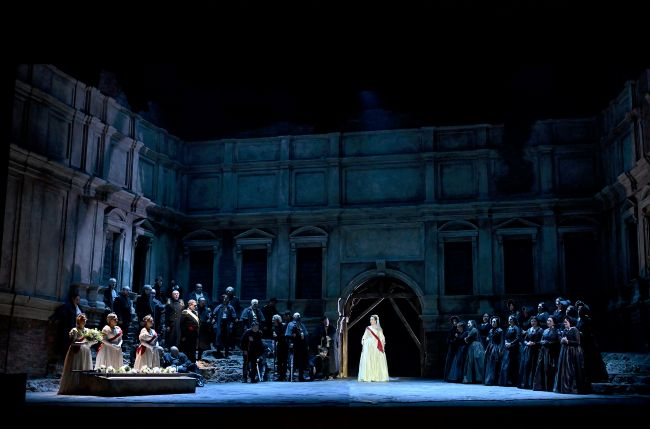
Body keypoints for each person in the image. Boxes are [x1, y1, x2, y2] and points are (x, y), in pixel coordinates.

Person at [58, 313, 97, 394]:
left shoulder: (88, 330)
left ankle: (84, 387)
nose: (84, 321)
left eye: (85, 319)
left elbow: (89, 342)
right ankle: (73, 387)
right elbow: (73, 342)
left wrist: (94, 341)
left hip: (86, 351)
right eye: (82, 319)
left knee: (85, 367)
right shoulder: (74, 330)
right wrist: (83, 342)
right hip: (77, 351)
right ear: (78, 321)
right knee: (76, 367)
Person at [358, 314, 389, 382]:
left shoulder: (379, 329)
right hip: (368, 346)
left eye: (372, 319)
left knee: (376, 360)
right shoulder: (368, 328)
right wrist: (363, 342)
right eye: (370, 319)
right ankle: (368, 376)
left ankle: (376, 376)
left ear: (375, 321)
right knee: (369, 360)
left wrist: (382, 346)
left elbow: (382, 338)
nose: (371, 321)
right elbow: (364, 337)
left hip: (376, 346)